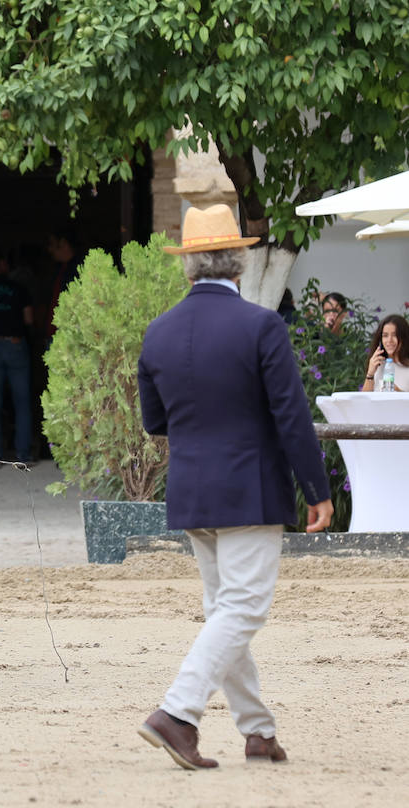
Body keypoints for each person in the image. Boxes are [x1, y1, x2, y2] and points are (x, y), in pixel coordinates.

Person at [136, 204, 333, 770]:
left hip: (193, 487)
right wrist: (316, 489)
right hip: (249, 486)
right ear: (240, 264)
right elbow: (291, 417)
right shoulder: (262, 325)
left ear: (190, 266)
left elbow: (155, 422)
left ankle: (257, 731)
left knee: (227, 608)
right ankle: (177, 712)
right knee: (243, 608)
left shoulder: (159, 331)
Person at [0, 250, 34, 467]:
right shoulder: (18, 288)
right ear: (2, 263)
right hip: (15, 344)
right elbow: (28, 319)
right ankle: (23, 455)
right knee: (22, 402)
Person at [359, 313, 409, 391]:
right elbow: (364, 400)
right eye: (385, 335)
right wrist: (370, 374)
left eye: (394, 335)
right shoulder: (378, 365)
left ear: (404, 337)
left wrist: (398, 392)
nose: (389, 340)